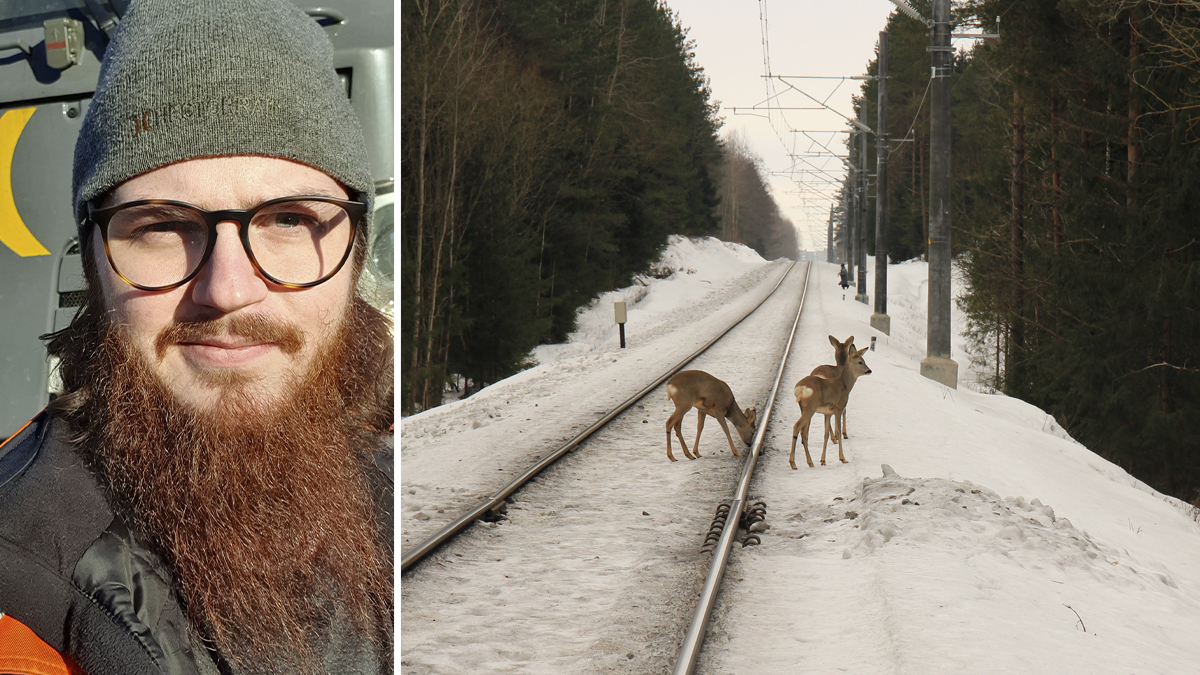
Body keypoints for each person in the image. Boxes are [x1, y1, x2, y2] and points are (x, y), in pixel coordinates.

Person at [0, 2, 394, 674]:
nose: (229, 289)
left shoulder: (387, 482)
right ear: (89, 262)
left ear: (356, 251)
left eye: (291, 219)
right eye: (159, 225)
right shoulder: (21, 594)